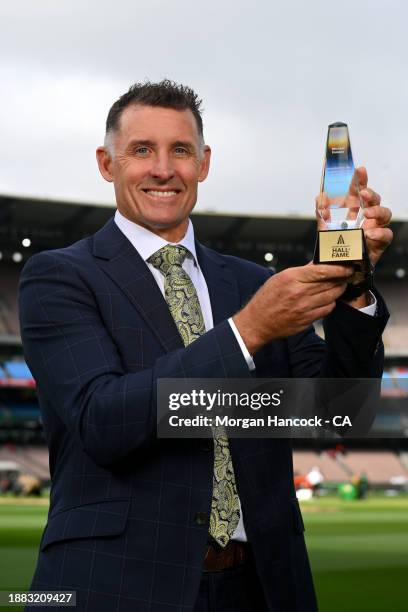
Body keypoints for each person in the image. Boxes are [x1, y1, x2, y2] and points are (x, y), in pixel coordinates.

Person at [19, 80, 392, 611]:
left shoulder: (249, 282)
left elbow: (338, 412)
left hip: (262, 585)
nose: (163, 169)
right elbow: (103, 420)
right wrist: (249, 331)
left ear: (205, 162)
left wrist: (352, 285)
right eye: (141, 150)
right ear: (106, 163)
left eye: (181, 151)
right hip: (120, 586)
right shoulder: (59, 278)